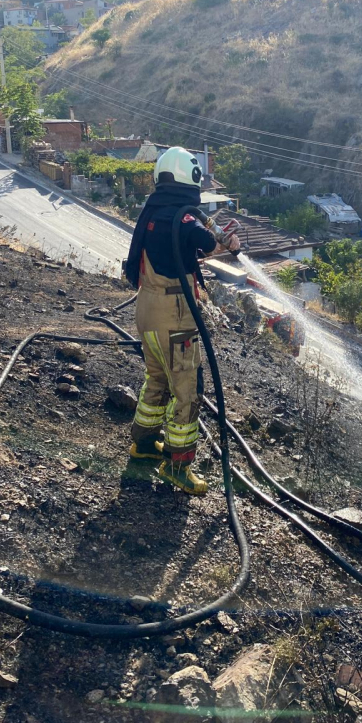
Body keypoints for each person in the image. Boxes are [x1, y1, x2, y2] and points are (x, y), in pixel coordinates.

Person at [123, 146, 240, 495]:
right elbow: (204, 242)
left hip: (146, 311)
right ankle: (177, 466)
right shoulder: (184, 218)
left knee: (156, 379)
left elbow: (177, 252)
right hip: (173, 317)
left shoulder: (153, 210)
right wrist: (226, 242)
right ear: (190, 177)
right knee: (187, 391)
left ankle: (143, 444)